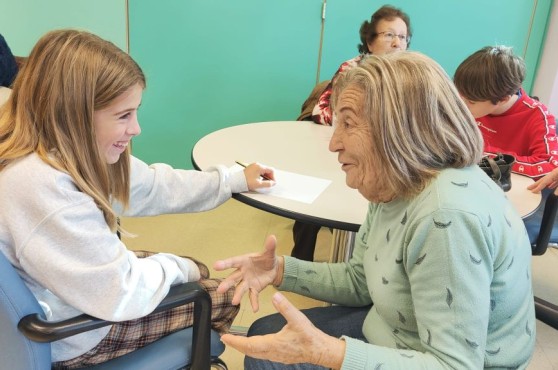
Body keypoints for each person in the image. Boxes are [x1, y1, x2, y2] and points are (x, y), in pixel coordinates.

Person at [214, 51, 536, 369]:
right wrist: (280, 270)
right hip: (398, 332)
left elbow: (455, 366)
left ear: (399, 129)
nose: (333, 143)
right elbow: (360, 280)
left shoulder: (445, 218)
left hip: (439, 359)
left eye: (349, 124)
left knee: (270, 361)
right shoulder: (397, 183)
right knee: (265, 339)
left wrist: (328, 353)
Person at [0, 29, 275, 369]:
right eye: (123, 116)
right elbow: (120, 293)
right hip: (74, 333)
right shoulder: (46, 190)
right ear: (77, 114)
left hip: (69, 290)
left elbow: (151, 185)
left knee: (196, 271)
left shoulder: (51, 149)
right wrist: (181, 268)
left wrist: (231, 180)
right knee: (219, 295)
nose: (136, 129)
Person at [291, 4, 412, 262]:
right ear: (370, 42)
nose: (396, 43)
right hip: (343, 149)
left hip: (386, 156)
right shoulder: (353, 70)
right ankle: (301, 258)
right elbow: (323, 112)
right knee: (317, 198)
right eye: (389, 35)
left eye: (402, 37)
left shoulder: (410, 76)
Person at [454, 45, 558, 179]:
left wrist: (483, 157)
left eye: (471, 102)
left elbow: (550, 165)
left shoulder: (537, 115)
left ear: (503, 99)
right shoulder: (470, 95)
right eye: (459, 95)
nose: (461, 105)